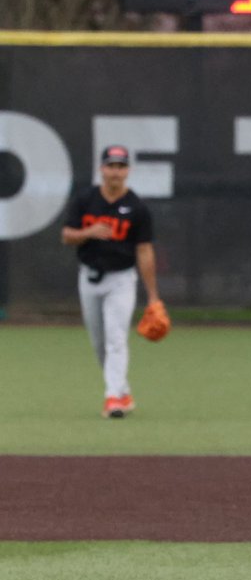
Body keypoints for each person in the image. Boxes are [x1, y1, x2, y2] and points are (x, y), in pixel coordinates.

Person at [61, 145, 162, 418]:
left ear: (127, 171)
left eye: (121, 166)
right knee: (99, 343)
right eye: (111, 166)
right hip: (89, 278)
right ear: (101, 169)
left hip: (121, 280)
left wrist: (153, 295)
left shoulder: (137, 208)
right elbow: (67, 235)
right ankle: (122, 391)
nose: (115, 172)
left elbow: (144, 251)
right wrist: (89, 231)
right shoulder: (86, 200)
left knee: (116, 339)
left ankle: (112, 398)